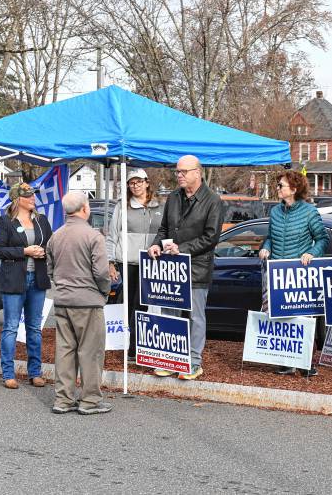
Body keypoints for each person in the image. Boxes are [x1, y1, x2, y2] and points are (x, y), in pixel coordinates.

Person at [147, 154, 223, 381]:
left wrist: (183, 249)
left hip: (197, 268)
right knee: (170, 314)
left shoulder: (213, 201)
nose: (179, 175)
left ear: (197, 173)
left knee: (194, 317)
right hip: (171, 268)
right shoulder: (173, 198)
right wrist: (155, 245)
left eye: (183, 172)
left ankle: (193, 362)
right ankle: (170, 360)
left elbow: (211, 238)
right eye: (177, 172)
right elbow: (164, 229)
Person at [46, 191, 112, 414]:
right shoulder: (94, 236)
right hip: (88, 301)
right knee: (90, 352)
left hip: (63, 300)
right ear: (85, 208)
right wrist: (104, 293)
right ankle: (90, 400)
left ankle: (63, 400)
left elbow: (50, 269)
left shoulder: (56, 236)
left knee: (64, 351)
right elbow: (102, 273)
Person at [258, 170, 329, 377]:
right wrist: (266, 247)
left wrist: (311, 253)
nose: (278, 188)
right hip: (277, 273)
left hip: (299, 274)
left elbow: (322, 239)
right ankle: (286, 362)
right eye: (278, 185)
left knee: (303, 319)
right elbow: (270, 237)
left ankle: (306, 363)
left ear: (294, 189)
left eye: (281, 186)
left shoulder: (309, 212)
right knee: (281, 318)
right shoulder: (275, 212)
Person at [0, 183, 52, 390]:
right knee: (10, 328)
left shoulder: (41, 220)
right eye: (28, 196)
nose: (32, 198)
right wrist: (24, 251)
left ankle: (35, 372)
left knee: (34, 328)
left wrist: (43, 252)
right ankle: (8, 373)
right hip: (14, 280)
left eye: (33, 195)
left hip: (38, 279)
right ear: (17, 199)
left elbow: (50, 245)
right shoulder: (5, 222)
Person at [106, 168, 163, 360]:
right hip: (128, 262)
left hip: (153, 263)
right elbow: (112, 235)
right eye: (131, 182)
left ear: (147, 182)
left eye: (139, 181)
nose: (135, 185)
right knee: (131, 304)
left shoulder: (159, 206)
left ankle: (142, 343)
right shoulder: (122, 206)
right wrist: (110, 262)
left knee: (146, 304)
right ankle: (132, 346)